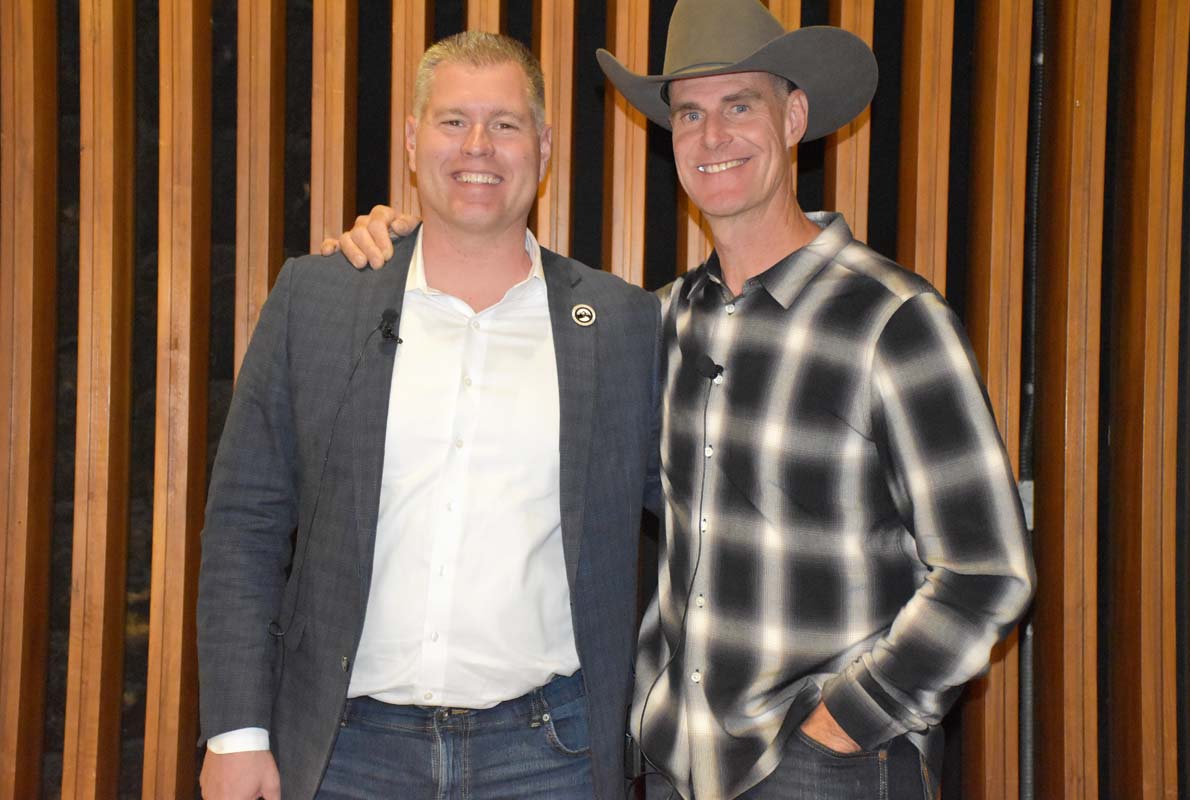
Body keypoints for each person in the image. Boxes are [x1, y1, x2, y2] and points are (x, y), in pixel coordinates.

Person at [337, 2, 1035, 798]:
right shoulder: (656, 321)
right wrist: (391, 245)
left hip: (824, 766)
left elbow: (988, 570)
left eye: (742, 105)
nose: (713, 136)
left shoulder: (889, 320)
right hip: (677, 763)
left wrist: (846, 719)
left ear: (795, 116)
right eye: (691, 113)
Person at [197, 32, 661, 800]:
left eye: (505, 124)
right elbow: (245, 524)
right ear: (413, 141)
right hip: (344, 752)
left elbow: (699, 513)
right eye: (453, 122)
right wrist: (237, 735)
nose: (477, 146)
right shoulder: (318, 299)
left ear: (544, 146)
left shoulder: (620, 324)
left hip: (553, 758)